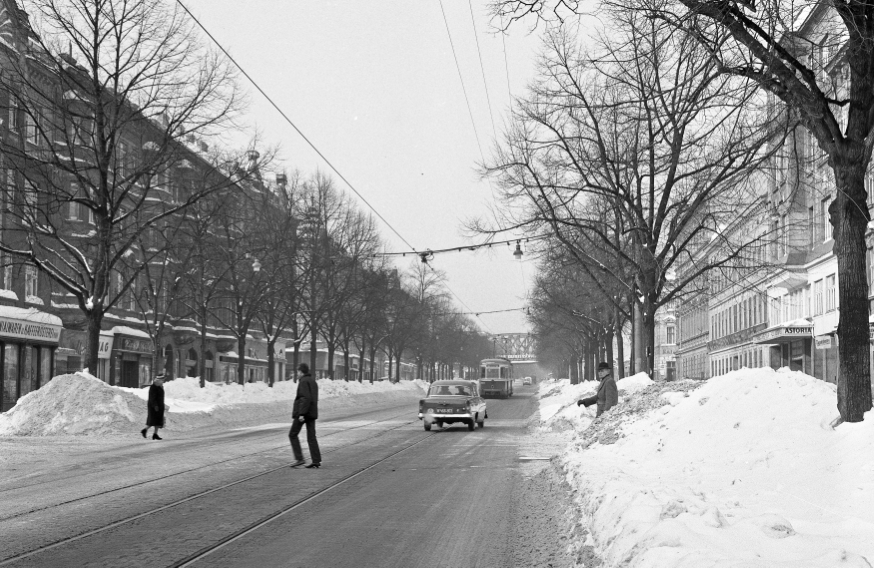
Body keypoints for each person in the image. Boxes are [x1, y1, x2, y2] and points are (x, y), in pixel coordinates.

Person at [289, 363, 321, 468]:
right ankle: (316, 460)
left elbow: (304, 398)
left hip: (303, 413)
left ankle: (299, 459)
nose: (297, 374)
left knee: (293, 434)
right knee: (311, 437)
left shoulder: (303, 381)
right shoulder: (313, 381)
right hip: (311, 412)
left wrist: (301, 414)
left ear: (301, 372)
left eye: (298, 372)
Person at [141, 374, 166, 440]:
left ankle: (155, 434)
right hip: (154, 406)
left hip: (159, 406)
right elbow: (152, 398)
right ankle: (145, 430)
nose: (163, 381)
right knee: (153, 421)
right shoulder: (154, 387)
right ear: (158, 380)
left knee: (157, 421)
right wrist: (155, 405)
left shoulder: (160, 387)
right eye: (162, 380)